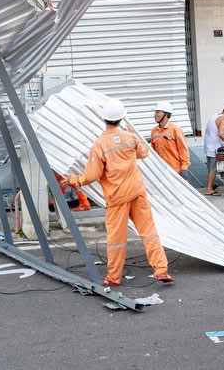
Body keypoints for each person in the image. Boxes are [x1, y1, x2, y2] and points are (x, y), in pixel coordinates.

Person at [61, 99, 175, 287]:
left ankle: (114, 277)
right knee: (149, 233)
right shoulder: (130, 137)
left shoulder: (100, 144)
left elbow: (92, 175)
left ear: (104, 119)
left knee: (116, 240)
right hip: (137, 192)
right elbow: (144, 153)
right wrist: (133, 135)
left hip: (117, 197)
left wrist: (73, 180)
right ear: (121, 118)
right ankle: (161, 269)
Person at [203, 105, 224, 196]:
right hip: (214, 146)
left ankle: (211, 184)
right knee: (213, 168)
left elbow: (215, 131)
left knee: (210, 167)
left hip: (208, 145)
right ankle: (209, 189)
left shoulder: (214, 116)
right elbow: (220, 134)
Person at [150, 100, 190, 177]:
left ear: (166, 114)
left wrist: (184, 168)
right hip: (161, 171)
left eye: (158, 112)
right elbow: (153, 152)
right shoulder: (154, 131)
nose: (155, 114)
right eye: (155, 112)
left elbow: (183, 149)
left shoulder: (175, 129)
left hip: (176, 171)